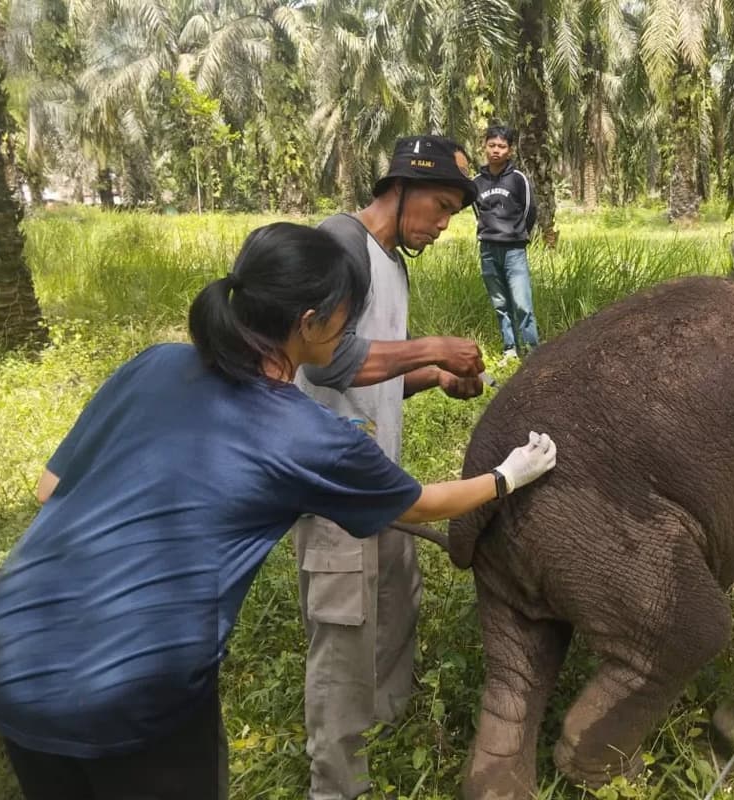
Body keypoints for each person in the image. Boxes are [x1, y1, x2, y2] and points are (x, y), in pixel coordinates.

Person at [0, 221, 557, 800]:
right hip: (136, 680)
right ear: (311, 323)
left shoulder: (155, 363)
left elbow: (49, 487)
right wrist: (509, 475)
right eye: (346, 320)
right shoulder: (307, 435)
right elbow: (423, 502)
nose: (350, 334)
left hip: (17, 648)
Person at [294, 134, 490, 800]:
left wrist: (432, 375)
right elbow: (326, 361)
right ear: (399, 186)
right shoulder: (339, 245)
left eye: (451, 216)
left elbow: (371, 380)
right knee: (344, 638)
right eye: (437, 207)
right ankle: (336, 786)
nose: (439, 226)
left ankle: (387, 730)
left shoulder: (393, 267)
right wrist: (431, 347)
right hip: (333, 483)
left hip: (381, 478)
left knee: (398, 600)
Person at [473, 124, 541, 364]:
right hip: (488, 250)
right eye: (492, 145)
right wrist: (488, 233)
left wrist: (517, 235)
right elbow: (477, 212)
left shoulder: (518, 179)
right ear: (485, 146)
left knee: (523, 303)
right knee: (500, 303)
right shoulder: (477, 182)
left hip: (514, 250)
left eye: (502, 146)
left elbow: (530, 210)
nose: (496, 150)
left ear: (510, 151)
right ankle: (510, 349)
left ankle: (533, 351)